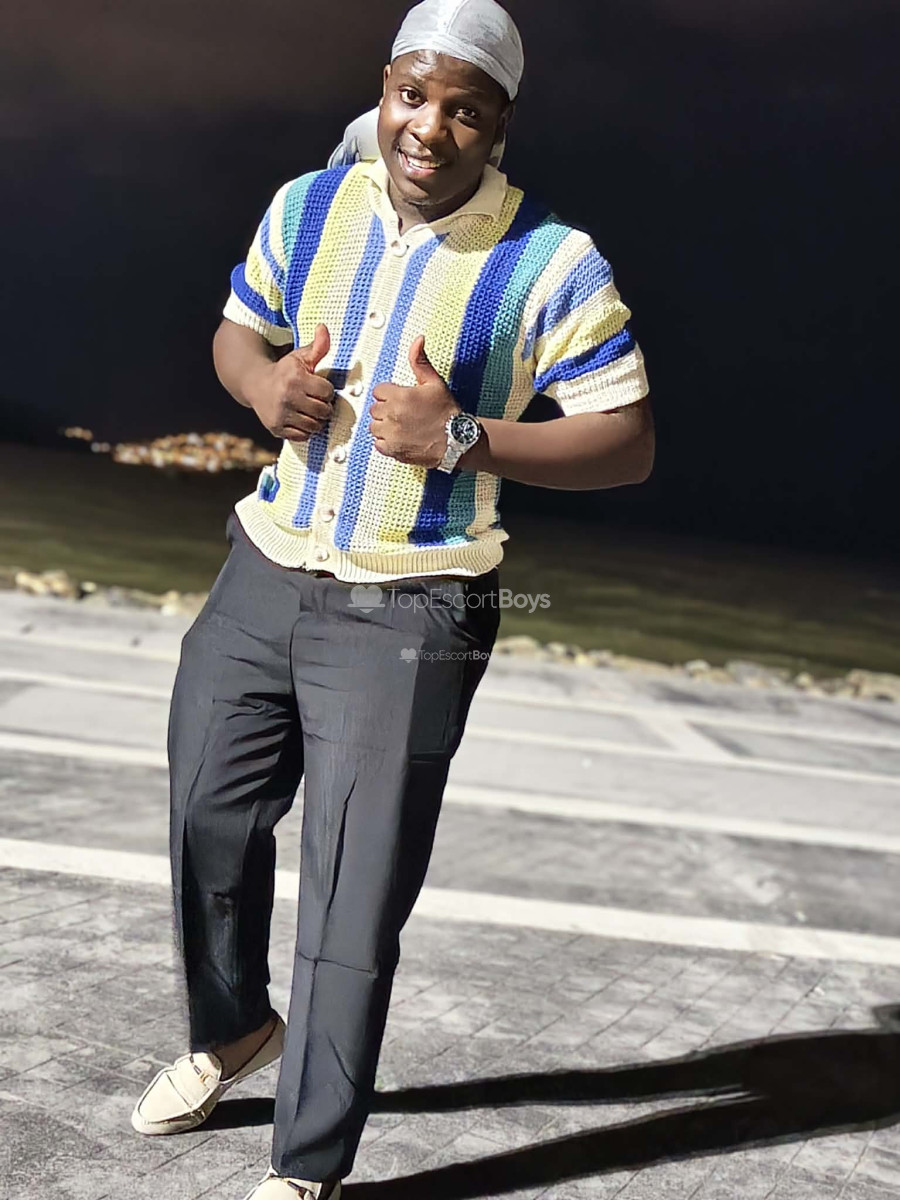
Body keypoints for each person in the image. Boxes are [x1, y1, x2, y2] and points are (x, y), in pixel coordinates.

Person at [130, 1, 654, 1196]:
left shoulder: (553, 262)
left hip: (414, 608)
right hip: (265, 567)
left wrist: (464, 435)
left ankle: (306, 1161)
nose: (430, 126)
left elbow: (626, 441)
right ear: (384, 88)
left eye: (465, 108)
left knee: (351, 898)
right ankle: (231, 1031)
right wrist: (264, 388)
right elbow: (236, 335)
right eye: (414, 95)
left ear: (498, 126)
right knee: (208, 814)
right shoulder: (308, 205)